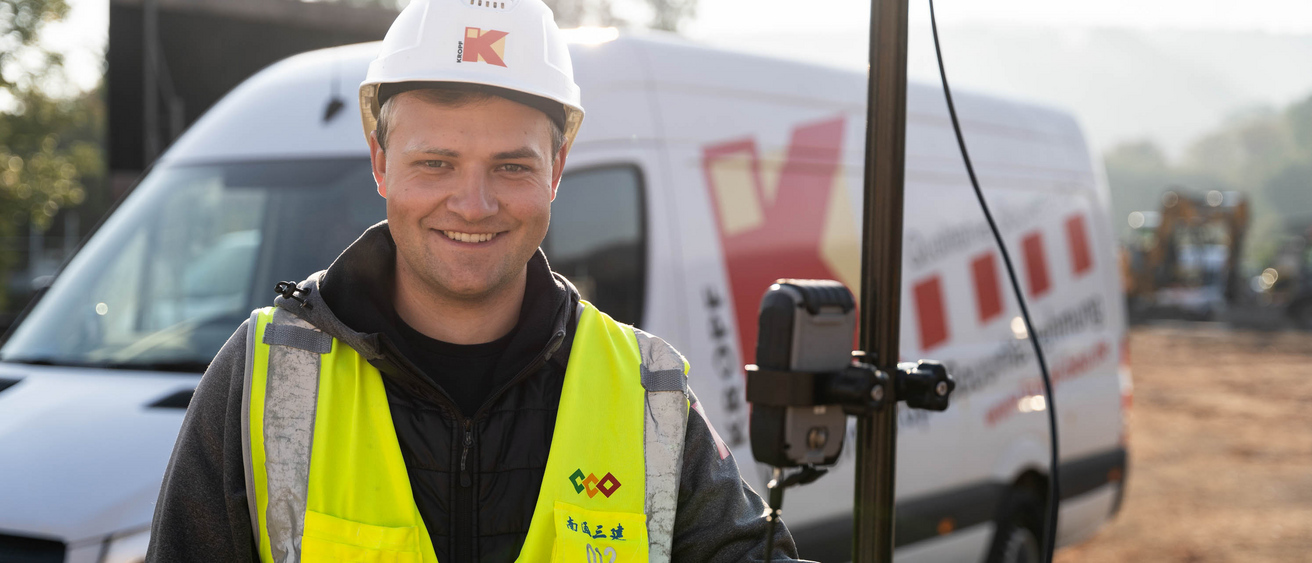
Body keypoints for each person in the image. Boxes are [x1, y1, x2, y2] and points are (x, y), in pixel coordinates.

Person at [146, 0, 806, 561]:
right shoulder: (265, 377)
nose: (473, 204)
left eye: (512, 167)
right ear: (380, 162)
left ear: (556, 167)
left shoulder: (646, 392)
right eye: (435, 163)